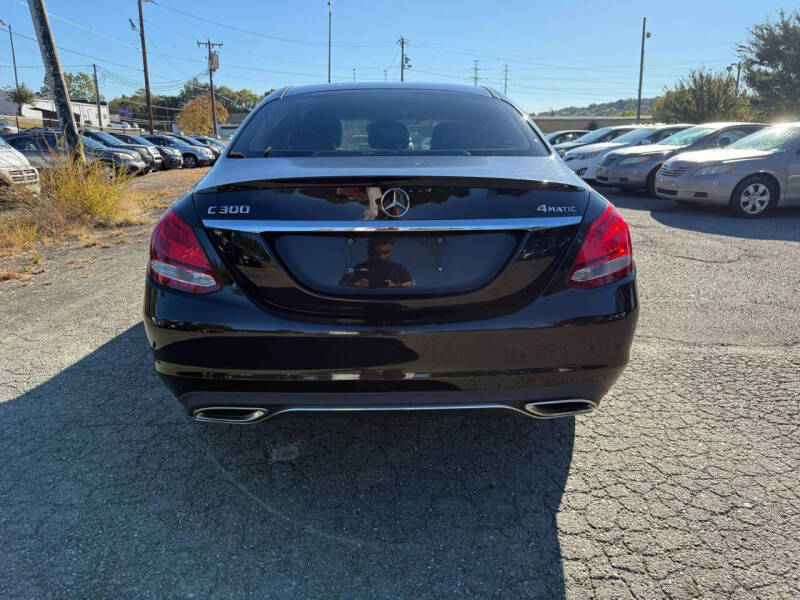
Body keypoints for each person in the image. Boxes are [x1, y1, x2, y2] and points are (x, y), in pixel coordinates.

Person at [339, 238, 415, 288]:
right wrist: (355, 284)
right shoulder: (357, 268)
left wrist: (395, 287)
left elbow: (410, 285)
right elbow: (342, 284)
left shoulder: (399, 269)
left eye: (386, 252)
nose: (382, 257)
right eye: (377, 253)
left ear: (391, 249)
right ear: (370, 251)